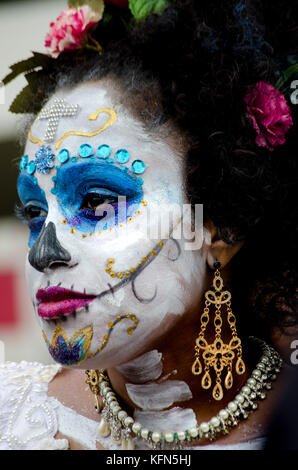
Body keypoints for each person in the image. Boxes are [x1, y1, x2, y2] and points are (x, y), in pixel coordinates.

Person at [1, 0, 297, 451]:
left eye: (96, 201)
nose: (44, 251)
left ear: (221, 225)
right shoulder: (11, 415)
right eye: (35, 213)